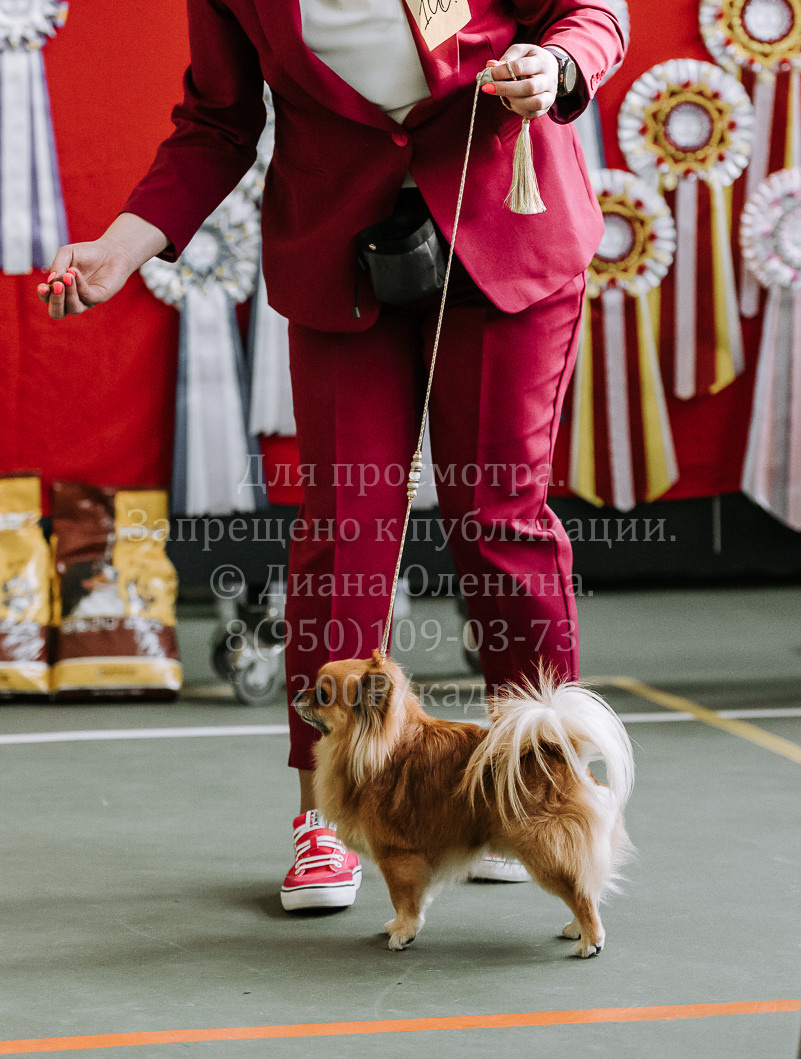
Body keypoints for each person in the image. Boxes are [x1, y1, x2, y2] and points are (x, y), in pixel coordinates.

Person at [38, 0, 624, 909]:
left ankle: (530, 781)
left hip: (504, 225)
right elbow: (219, 121)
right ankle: (331, 806)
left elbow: (592, 11)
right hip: (341, 250)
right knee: (344, 526)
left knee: (496, 514)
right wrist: (125, 245)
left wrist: (557, 67)